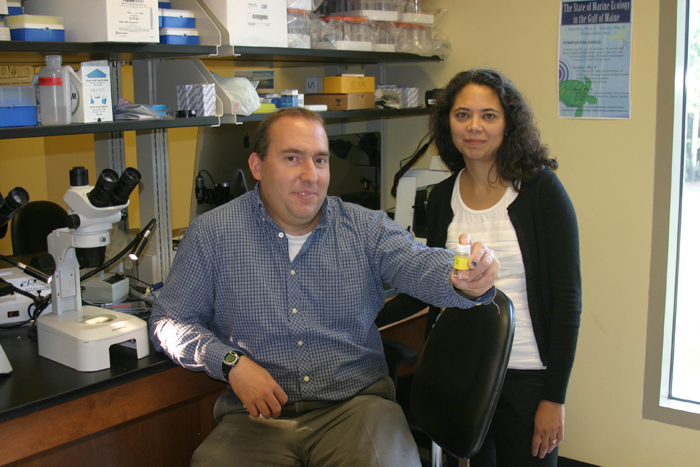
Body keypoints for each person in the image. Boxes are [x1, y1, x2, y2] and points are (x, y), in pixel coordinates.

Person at [148, 107, 501, 467]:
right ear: (257, 166)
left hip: (356, 408)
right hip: (257, 417)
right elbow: (168, 322)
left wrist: (463, 278)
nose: (310, 175)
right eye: (292, 159)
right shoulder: (212, 234)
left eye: (320, 160)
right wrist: (230, 362)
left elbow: (417, 262)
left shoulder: (364, 228)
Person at [380, 69, 581, 466]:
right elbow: (430, 284)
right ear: (447, 123)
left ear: (508, 123)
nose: (474, 127)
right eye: (462, 115)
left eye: (489, 115)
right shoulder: (441, 197)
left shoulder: (540, 190)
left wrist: (554, 398)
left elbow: (567, 300)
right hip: (463, 373)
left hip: (527, 375)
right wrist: (359, 314)